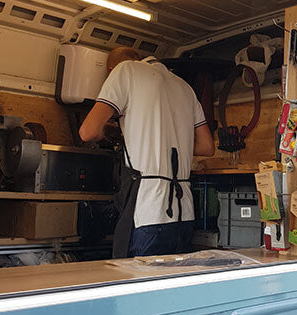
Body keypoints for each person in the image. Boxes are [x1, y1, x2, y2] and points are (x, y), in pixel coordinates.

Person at [79, 47, 215, 258]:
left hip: (148, 212)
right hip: (184, 214)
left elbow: (88, 132)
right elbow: (207, 146)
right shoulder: (184, 87)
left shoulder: (125, 71)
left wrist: (112, 133)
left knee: (137, 285)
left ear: (111, 69)